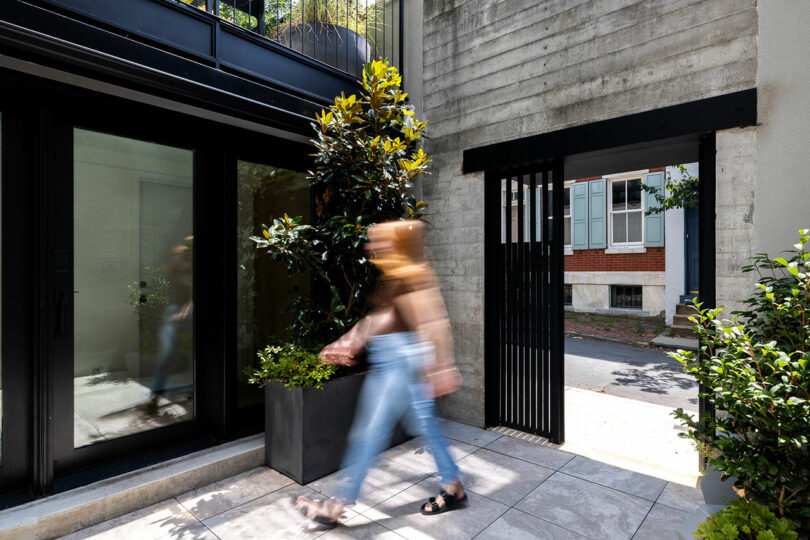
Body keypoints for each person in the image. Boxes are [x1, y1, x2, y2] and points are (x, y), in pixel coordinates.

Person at [296, 220, 466, 528]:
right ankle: (454, 485)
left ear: (397, 246)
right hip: (396, 358)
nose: (371, 247)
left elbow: (432, 321)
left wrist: (442, 367)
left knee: (368, 432)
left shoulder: (409, 276)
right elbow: (379, 320)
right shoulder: (393, 278)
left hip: (401, 362)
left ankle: (336, 505)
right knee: (425, 425)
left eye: (379, 242)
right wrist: (347, 341)